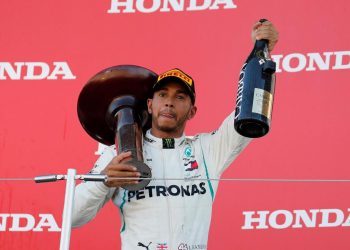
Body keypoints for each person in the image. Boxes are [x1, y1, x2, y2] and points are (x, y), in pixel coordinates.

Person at [72, 20, 279, 250]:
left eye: (180, 97)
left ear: (192, 111)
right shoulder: (121, 152)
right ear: (150, 105)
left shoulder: (208, 149)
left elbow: (249, 110)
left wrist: (263, 51)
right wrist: (103, 181)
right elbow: (71, 217)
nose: (170, 102)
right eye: (163, 94)